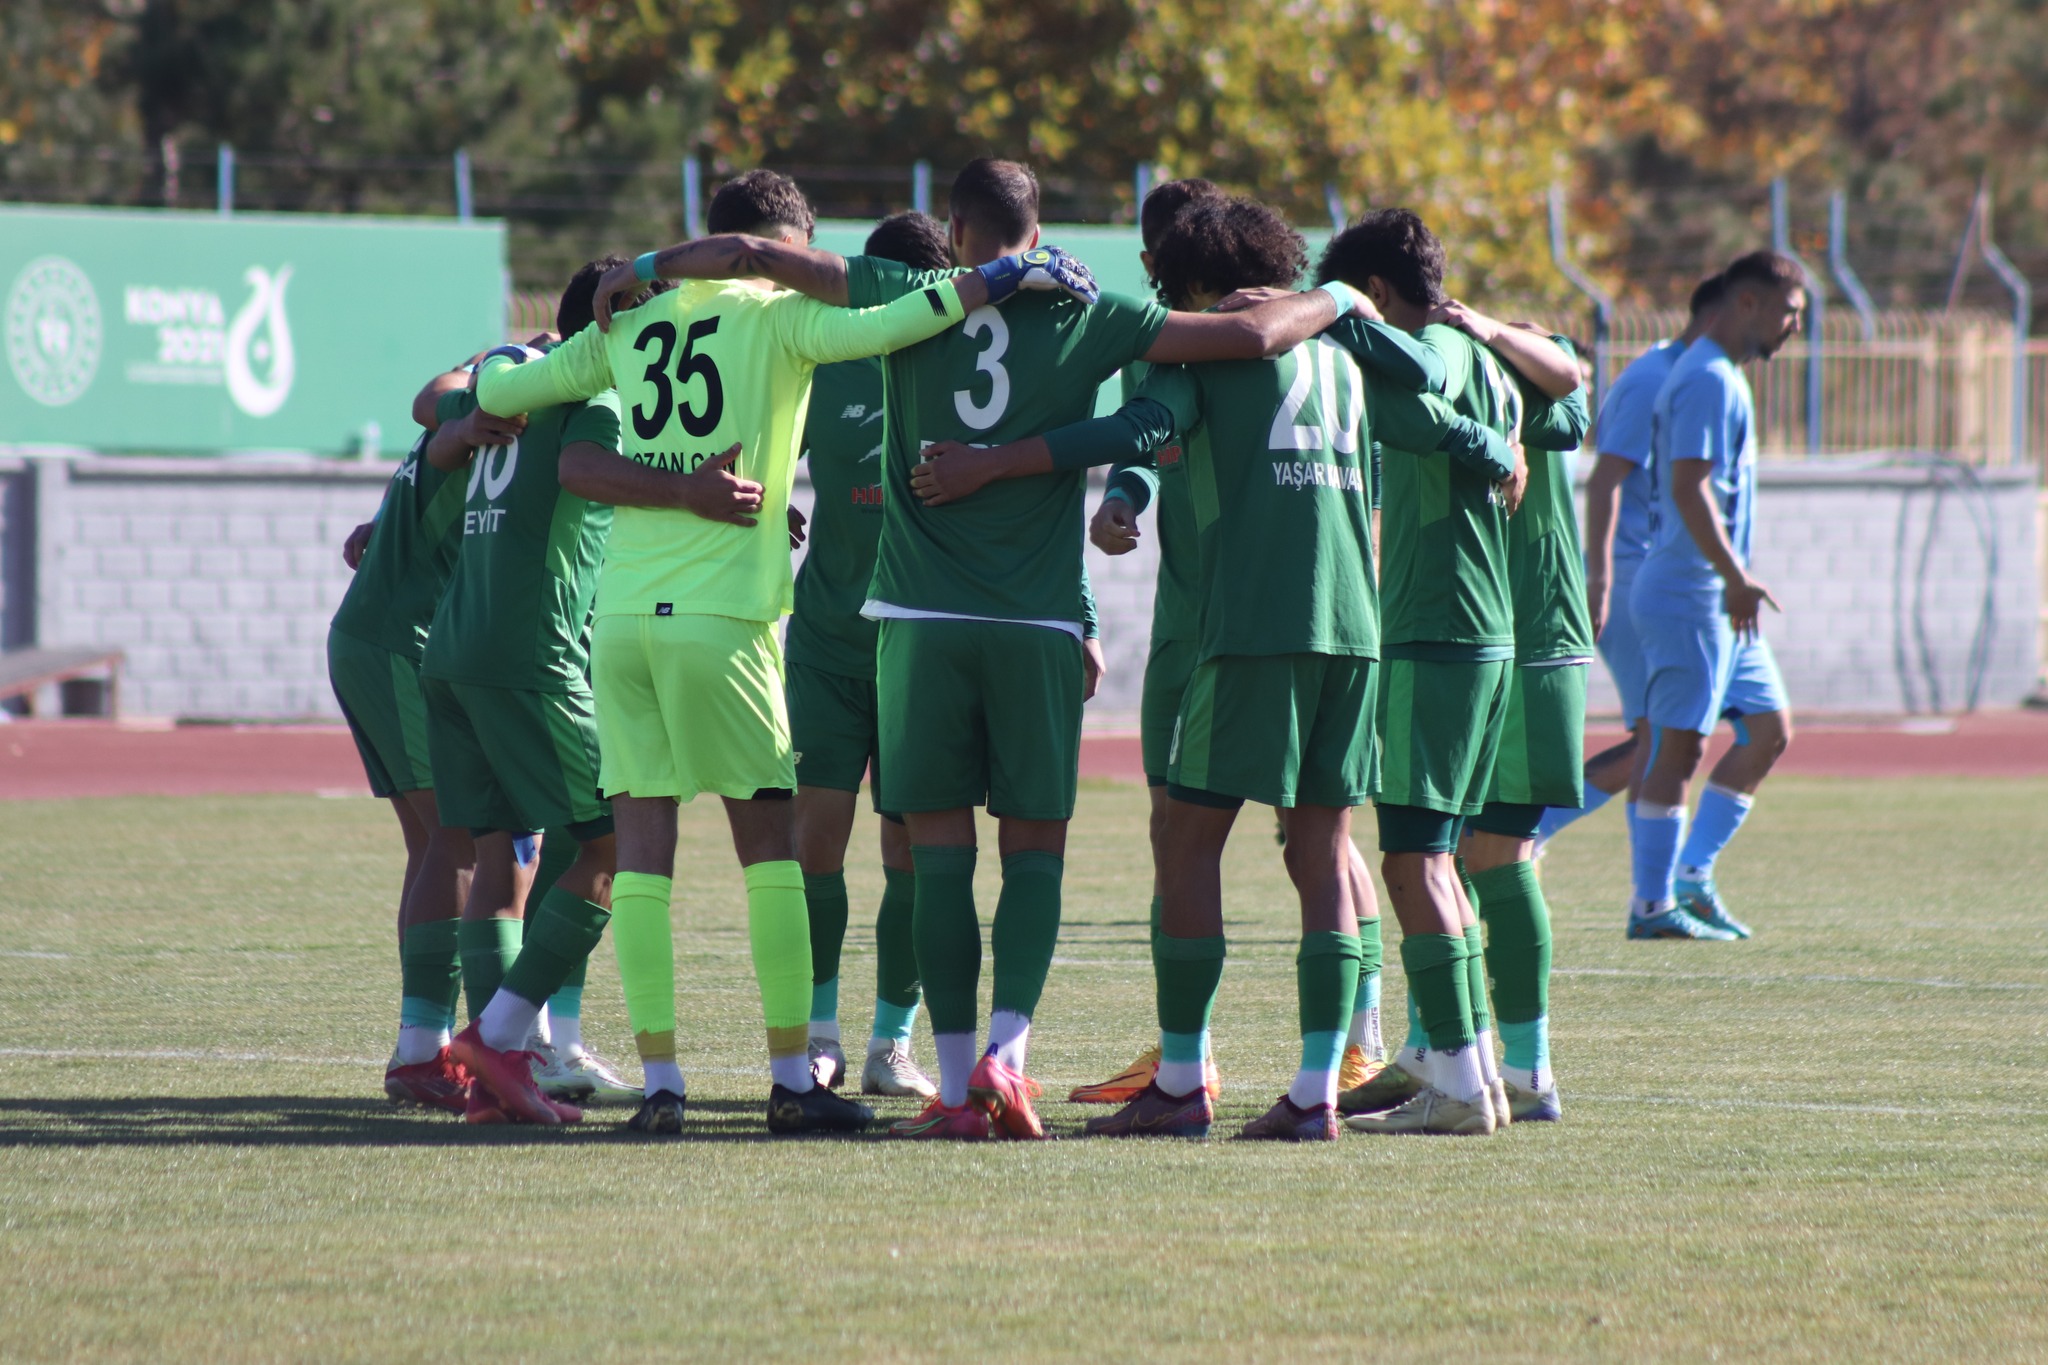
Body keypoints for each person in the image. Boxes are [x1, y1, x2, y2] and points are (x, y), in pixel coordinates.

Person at [643, 159, 1382, 1139]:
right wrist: (1335, 291)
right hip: (1039, 623)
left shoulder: (907, 295)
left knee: (934, 856)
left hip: (917, 620)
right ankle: (1010, 1058)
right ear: (1039, 233)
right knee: (1035, 855)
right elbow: (1244, 338)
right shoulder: (1094, 311)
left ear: (954, 231)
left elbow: (752, 254)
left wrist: (646, 267)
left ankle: (952, 1090)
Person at [470, 169, 1080, 1136]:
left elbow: (507, 386)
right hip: (724, 620)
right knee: (772, 855)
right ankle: (795, 1075)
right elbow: (894, 323)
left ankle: (662, 1085)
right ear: (785, 242)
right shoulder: (781, 316)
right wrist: (1005, 276)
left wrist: (487, 404)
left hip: (621, 622)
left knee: (640, 857)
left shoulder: (635, 321)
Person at [926, 197, 1515, 1140]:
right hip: (1353, 633)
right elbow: (1427, 410)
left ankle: (1184, 1075)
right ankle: (1317, 1090)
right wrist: (1491, 441)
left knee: (1184, 839)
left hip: (1251, 629)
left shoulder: (1210, 348)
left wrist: (998, 462)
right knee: (1319, 851)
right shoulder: (1345, 348)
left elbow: (1134, 430)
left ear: (1199, 286)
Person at [1309, 209, 1543, 1137]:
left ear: (1372, 296)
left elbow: (1412, 413)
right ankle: (1472, 1068)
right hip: (1481, 632)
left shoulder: (1429, 353)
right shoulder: (1488, 354)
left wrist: (1482, 445)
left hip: (1432, 629)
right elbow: (1556, 408)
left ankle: (1454, 1080)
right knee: (1436, 860)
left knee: (1410, 860)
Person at [421, 258, 657, 1124]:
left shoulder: (516, 377)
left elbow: (438, 402)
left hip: (453, 651)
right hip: (531, 656)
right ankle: (504, 1036)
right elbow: (598, 475)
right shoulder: (596, 396)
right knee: (614, 845)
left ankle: (498, 1071)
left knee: (499, 855)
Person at [1063, 176, 1229, 1108]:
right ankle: (1182, 1055)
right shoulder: (1155, 339)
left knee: (1316, 835)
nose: (1153, 275)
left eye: (1163, 259)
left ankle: (1356, 1045)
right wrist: (1124, 495)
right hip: (1182, 621)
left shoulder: (1271, 340)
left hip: (1271, 623)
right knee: (1173, 831)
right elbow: (1145, 439)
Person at [785, 210, 953, 1100]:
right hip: (826, 641)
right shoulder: (823, 358)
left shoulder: (960, 364)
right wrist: (770, 496)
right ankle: (820, 1034)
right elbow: (768, 442)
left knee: (914, 852)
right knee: (816, 837)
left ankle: (893, 1043)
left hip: (922, 646)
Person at [1429, 305, 1593, 1124]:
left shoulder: (1539, 371)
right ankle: (1447, 1049)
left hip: (1531, 642)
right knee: (1447, 851)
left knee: (1495, 853)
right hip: (1487, 638)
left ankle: (1527, 1068)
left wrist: (1484, 325)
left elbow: (1569, 382)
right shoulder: (1471, 375)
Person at [328, 364, 503, 1112]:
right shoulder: (476, 425)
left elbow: (432, 403)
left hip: (371, 635)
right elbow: (441, 411)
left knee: (432, 843)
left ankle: (420, 1043)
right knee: (458, 837)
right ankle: (419, 1052)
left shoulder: (467, 417)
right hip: (398, 642)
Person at [1531, 278, 1730, 915]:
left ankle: (1655, 889)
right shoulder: (1651, 381)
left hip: (1634, 583)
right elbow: (1607, 486)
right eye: (1572, 377)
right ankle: (1538, 838)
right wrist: (1601, 578)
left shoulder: (1676, 382)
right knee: (1664, 739)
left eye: (1585, 379)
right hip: (1612, 584)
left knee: (1671, 738)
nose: (1582, 392)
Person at [1627, 251, 1804, 942]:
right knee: (1679, 747)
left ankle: (1691, 877)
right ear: (1750, 303)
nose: (1795, 327)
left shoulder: (1723, 375)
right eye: (1791, 312)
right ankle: (1650, 906)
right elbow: (1688, 486)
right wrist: (1735, 575)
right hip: (1689, 592)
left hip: (1718, 593)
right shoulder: (1704, 377)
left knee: (1768, 730)